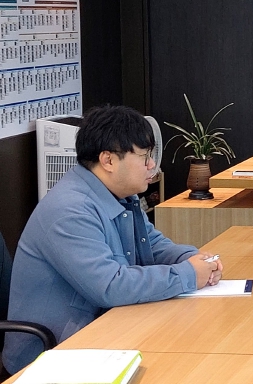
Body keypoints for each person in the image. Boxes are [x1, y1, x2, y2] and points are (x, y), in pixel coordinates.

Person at [2, 105, 224, 374]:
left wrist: (192, 258)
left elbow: (152, 245)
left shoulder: (120, 195)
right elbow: (110, 286)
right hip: (53, 356)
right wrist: (188, 274)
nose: (151, 165)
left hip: (104, 333)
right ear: (108, 160)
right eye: (144, 156)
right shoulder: (69, 210)